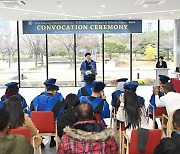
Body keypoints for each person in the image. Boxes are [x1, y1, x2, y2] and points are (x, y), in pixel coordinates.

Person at [30, 84, 64, 148]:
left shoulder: (35, 99)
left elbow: (31, 113)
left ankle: (40, 141)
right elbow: (59, 117)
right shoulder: (57, 101)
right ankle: (52, 140)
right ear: (54, 91)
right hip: (50, 128)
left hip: (36, 127)